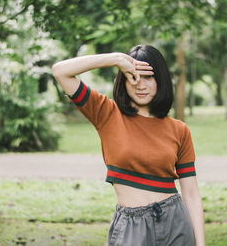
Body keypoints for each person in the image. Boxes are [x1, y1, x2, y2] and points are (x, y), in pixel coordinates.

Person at [52, 45, 205, 246]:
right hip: (132, 228)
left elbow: (191, 194)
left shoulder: (179, 130)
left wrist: (200, 244)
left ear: (161, 80)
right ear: (123, 81)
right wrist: (116, 59)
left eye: (148, 77)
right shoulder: (106, 113)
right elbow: (61, 71)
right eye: (132, 76)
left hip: (175, 224)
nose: (140, 85)